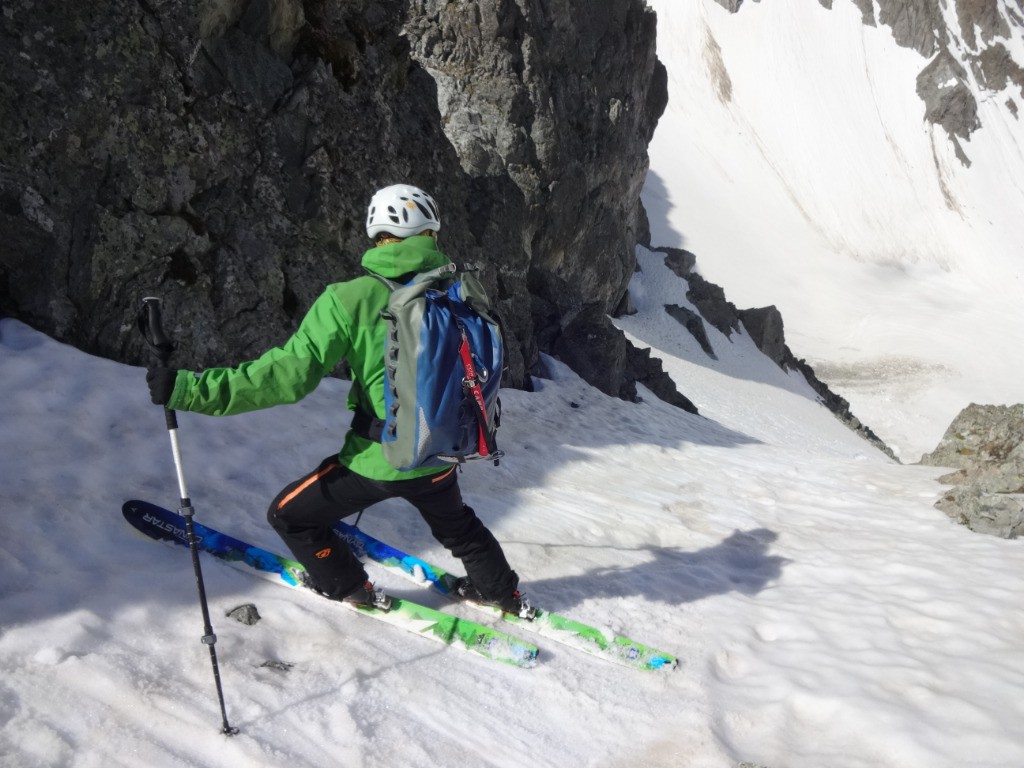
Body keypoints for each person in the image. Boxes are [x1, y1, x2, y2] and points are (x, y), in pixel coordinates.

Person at [146, 184, 531, 617]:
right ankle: (501, 593)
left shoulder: (349, 298)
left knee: (290, 516)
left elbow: (286, 376)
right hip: (441, 449)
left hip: (378, 460)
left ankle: (348, 585)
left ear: (377, 232)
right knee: (459, 527)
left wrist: (189, 390)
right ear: (430, 231)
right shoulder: (458, 290)